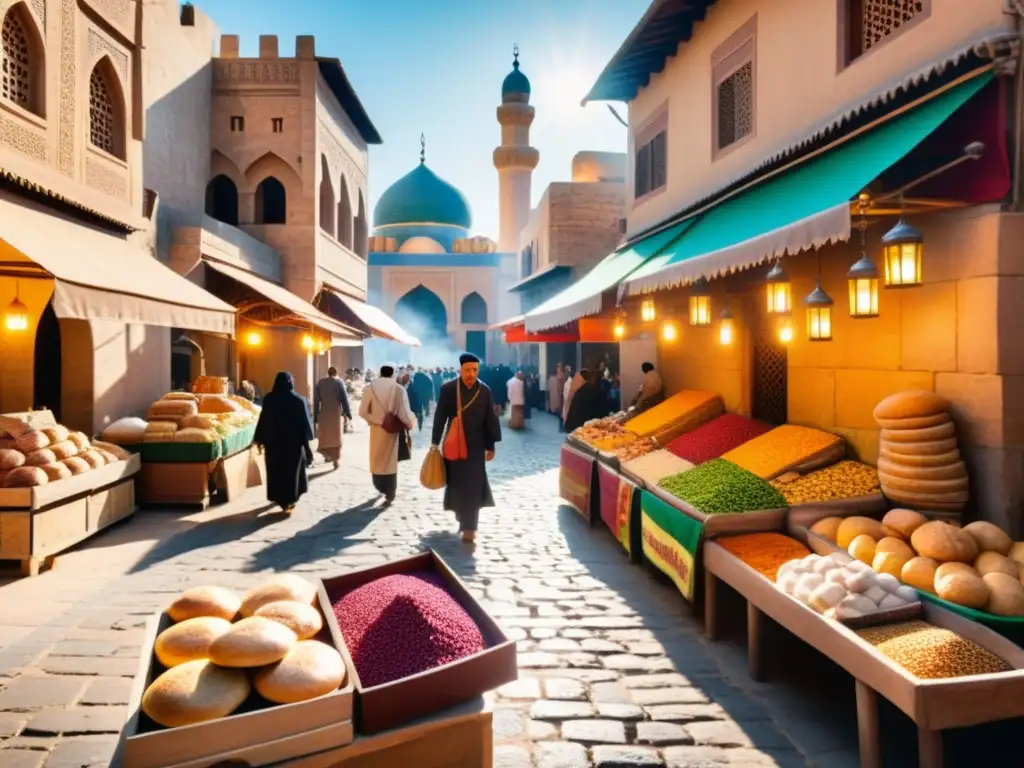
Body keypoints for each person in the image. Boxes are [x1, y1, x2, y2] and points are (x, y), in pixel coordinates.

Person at [431, 353, 501, 543]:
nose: (471, 374)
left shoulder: (484, 390)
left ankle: (470, 526)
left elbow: (490, 420)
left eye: (475, 370)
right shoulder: (448, 389)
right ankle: (462, 516)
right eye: (468, 370)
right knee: (455, 483)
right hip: (453, 445)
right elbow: (440, 417)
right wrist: (435, 444)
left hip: (476, 447)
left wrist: (491, 445)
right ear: (460, 370)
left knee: (473, 485)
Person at [253, 372, 314, 514]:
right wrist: (307, 448)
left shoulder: (269, 399)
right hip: (293, 445)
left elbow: (263, 420)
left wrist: (260, 439)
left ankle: (280, 499)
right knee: (291, 473)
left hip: (274, 445)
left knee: (276, 472)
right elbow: (303, 426)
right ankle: (290, 501)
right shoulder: (298, 400)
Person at [359, 363, 416, 507]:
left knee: (376, 459)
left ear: (380, 373)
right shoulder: (399, 389)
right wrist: (411, 423)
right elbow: (404, 411)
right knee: (390, 462)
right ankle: (390, 494)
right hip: (392, 430)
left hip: (376, 430)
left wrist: (377, 421)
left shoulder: (370, 388)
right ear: (392, 374)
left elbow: (362, 412)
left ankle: (379, 486)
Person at [313, 366, 352, 470]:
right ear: (336, 373)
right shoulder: (339, 383)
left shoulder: (320, 383)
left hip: (324, 412)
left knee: (325, 435)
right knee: (335, 436)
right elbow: (344, 399)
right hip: (335, 413)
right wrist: (348, 413)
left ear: (328, 373)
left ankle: (327, 455)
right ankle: (335, 460)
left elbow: (316, 400)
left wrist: (316, 414)